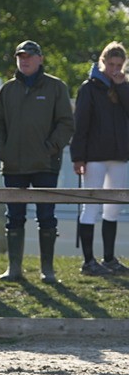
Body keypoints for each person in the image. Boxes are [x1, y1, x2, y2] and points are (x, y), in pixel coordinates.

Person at [0, 40, 74, 282]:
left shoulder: (57, 87)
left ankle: (47, 270)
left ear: (40, 58)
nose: (24, 60)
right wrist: (2, 151)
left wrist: (50, 148)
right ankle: (14, 268)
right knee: (14, 217)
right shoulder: (7, 90)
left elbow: (66, 123)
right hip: (13, 166)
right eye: (20, 56)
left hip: (45, 165)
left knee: (47, 216)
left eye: (29, 56)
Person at [70, 41, 129, 275]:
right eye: (111, 64)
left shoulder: (124, 86)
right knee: (90, 207)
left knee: (113, 208)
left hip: (119, 156)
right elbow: (81, 124)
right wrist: (78, 157)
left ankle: (109, 259)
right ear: (103, 62)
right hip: (94, 157)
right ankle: (88, 261)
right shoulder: (88, 88)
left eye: (119, 65)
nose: (115, 69)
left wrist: (122, 86)